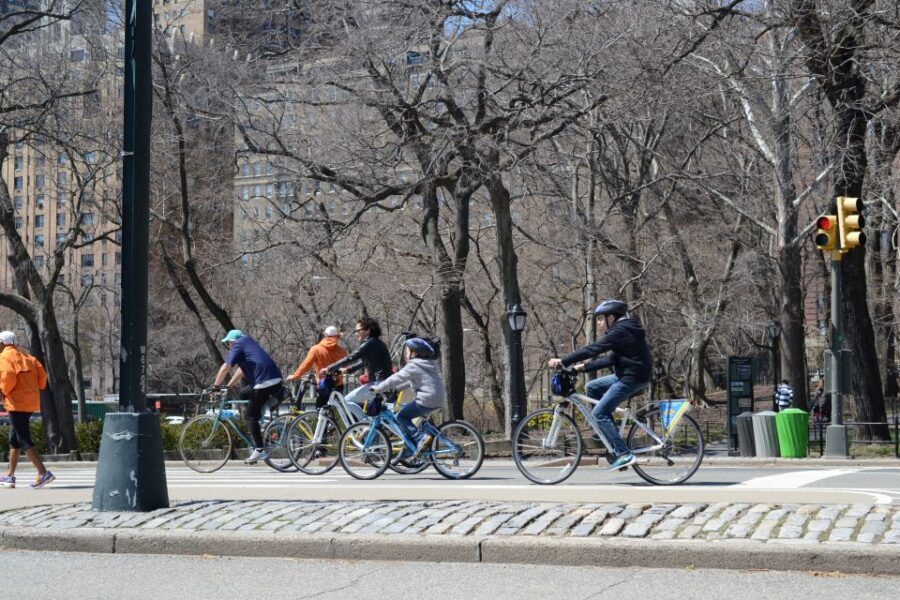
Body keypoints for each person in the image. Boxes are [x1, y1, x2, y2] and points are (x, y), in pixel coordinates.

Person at [547, 300, 652, 471]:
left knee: (599, 413)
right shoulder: (624, 330)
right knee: (592, 387)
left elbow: (593, 349)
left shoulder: (621, 330)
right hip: (625, 375)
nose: (598, 323)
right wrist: (582, 367)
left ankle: (623, 453)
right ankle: (613, 442)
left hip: (632, 378)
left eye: (601, 319)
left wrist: (563, 360)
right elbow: (611, 359)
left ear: (611, 317)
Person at [212, 330, 283, 464]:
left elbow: (226, 366)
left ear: (233, 341)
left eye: (228, 343)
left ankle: (259, 449)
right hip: (275, 379)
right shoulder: (249, 343)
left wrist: (215, 386)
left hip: (263, 382)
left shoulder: (238, 344)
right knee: (244, 393)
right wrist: (228, 385)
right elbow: (240, 371)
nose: (228, 346)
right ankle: (258, 422)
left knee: (249, 416)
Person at [371, 338, 445, 457]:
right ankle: (414, 448)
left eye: (407, 351)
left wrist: (379, 388)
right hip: (438, 398)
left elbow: (397, 378)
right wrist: (396, 389)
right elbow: (408, 382)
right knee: (410, 414)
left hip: (426, 399)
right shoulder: (428, 364)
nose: (405, 354)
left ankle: (420, 438)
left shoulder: (413, 365)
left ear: (414, 353)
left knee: (401, 416)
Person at [0, 331, 55, 489]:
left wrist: (3, 391)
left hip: (16, 403)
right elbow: (43, 378)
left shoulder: (4, 356)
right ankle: (10, 476)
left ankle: (44, 473)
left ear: (3, 343)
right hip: (30, 403)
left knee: (23, 440)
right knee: (15, 439)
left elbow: (8, 376)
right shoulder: (28, 357)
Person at [325, 316, 393, 406]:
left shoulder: (368, 343)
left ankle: (363, 420)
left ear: (368, 330)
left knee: (345, 402)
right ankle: (365, 420)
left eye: (358, 331)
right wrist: (348, 370)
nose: (356, 334)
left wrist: (329, 368)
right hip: (384, 382)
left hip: (377, 383)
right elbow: (365, 362)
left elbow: (351, 358)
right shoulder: (377, 342)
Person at [286, 325, 349, 408]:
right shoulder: (342, 351)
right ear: (337, 337)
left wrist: (295, 376)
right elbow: (347, 366)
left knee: (321, 410)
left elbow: (306, 364)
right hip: (338, 384)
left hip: (324, 384)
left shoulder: (316, 349)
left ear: (325, 336)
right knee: (337, 410)